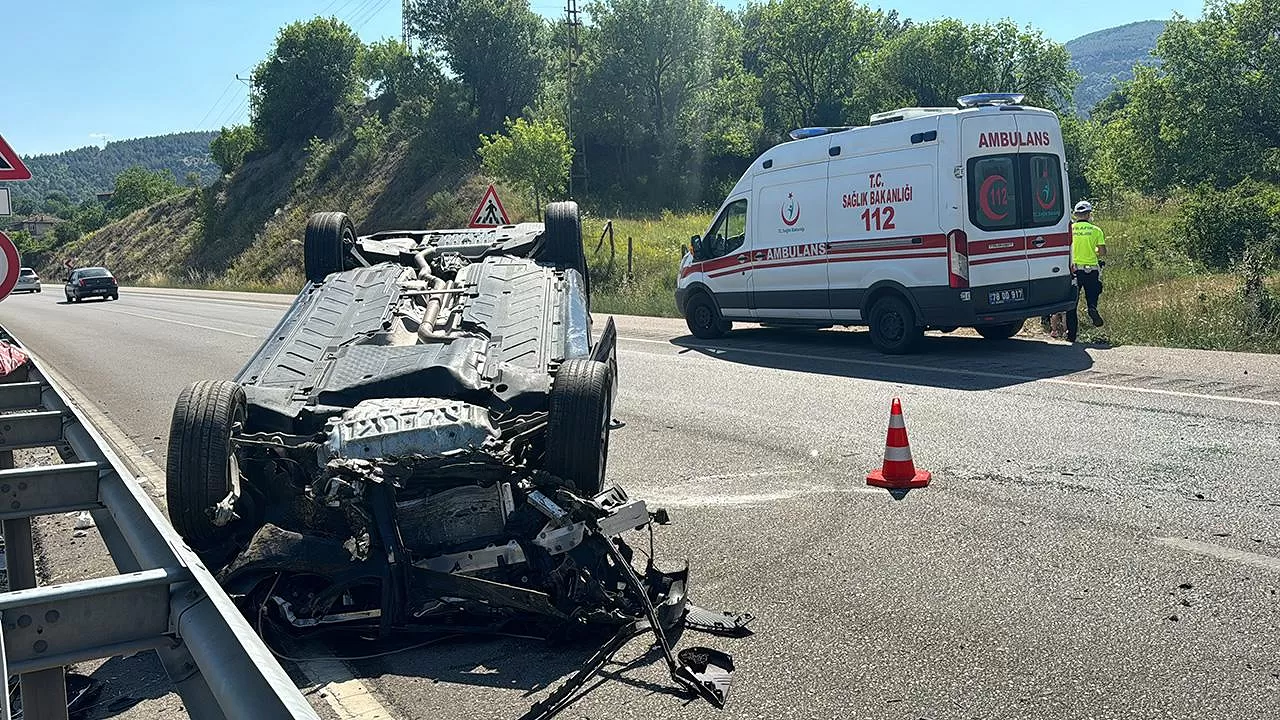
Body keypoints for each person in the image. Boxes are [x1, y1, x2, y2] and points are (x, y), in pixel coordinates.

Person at [1066, 200, 1106, 343]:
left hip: (1074, 270)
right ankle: (1092, 308)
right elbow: (1102, 252)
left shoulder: (1070, 229)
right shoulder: (1096, 230)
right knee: (1092, 295)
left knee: (1072, 304)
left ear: (1076, 214)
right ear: (1089, 214)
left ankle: (1071, 336)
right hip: (1092, 270)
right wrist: (1093, 250)